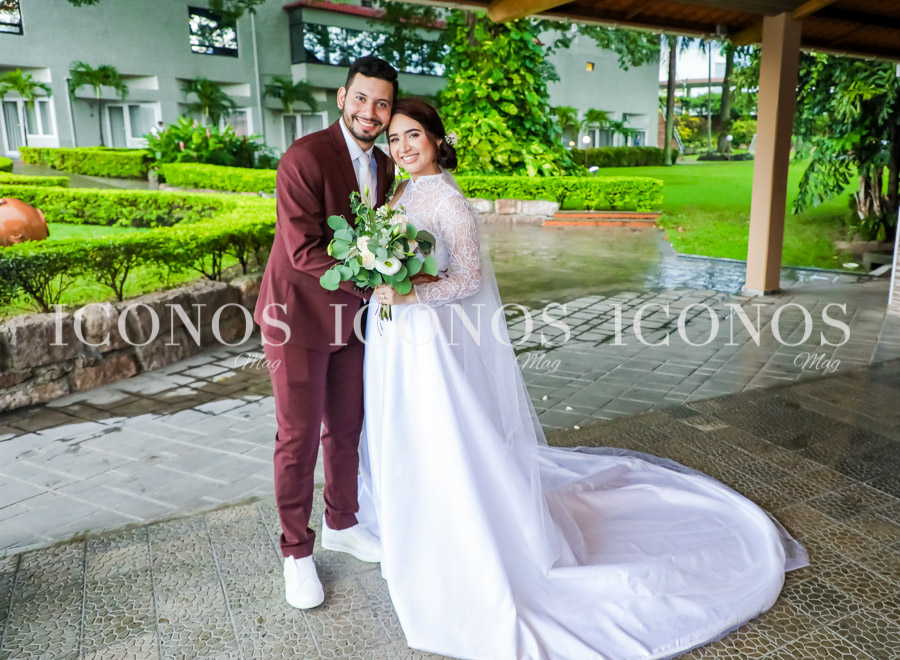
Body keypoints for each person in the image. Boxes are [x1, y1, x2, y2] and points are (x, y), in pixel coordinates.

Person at [357, 98, 809, 660]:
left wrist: (409, 291)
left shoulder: (449, 198)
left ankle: (465, 535)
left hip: (430, 341)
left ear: (436, 138)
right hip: (397, 336)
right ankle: (416, 524)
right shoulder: (399, 190)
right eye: (395, 138)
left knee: (445, 432)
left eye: (413, 135)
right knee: (406, 431)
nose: (402, 147)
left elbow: (469, 279)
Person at [253, 56, 398, 610]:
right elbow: (303, 249)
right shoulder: (304, 157)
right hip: (295, 318)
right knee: (297, 438)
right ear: (342, 98)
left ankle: (342, 522)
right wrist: (379, 276)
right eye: (361, 99)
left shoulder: (383, 167)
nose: (371, 112)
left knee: (346, 428)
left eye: (381, 103)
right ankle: (295, 552)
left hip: (353, 319)